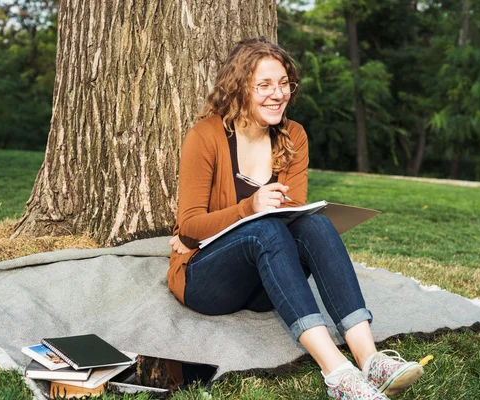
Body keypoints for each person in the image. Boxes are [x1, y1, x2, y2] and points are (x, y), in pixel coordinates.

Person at [167, 37, 423, 399]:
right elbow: (190, 227)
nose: (278, 94)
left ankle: (371, 359)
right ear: (239, 88)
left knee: (315, 222)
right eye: (265, 85)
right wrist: (249, 207)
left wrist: (268, 214)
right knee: (264, 228)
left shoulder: (293, 136)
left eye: (284, 83)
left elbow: (296, 214)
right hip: (207, 282)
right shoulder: (206, 136)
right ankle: (338, 375)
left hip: (267, 284)